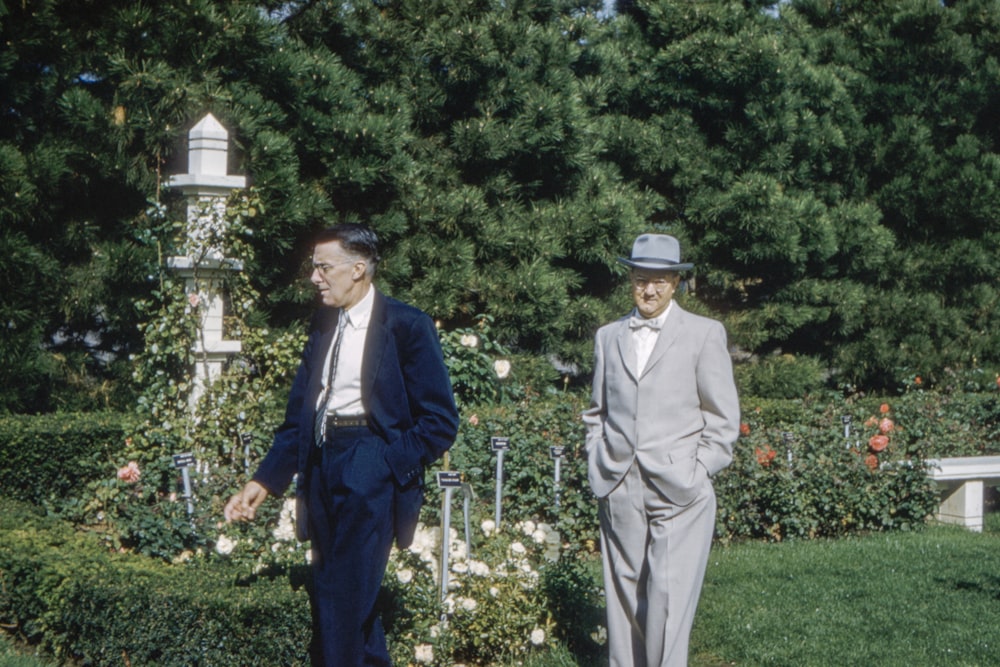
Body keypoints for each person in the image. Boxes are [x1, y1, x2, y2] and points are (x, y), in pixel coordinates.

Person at [224, 223, 459, 667]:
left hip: (370, 467)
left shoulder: (407, 325)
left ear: (357, 269)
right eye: (314, 267)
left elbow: (441, 421)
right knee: (350, 605)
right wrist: (264, 480)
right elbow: (299, 413)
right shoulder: (324, 322)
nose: (314, 277)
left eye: (323, 267)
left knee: (342, 601)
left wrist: (383, 464)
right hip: (320, 465)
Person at [583, 233, 740, 667]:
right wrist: (598, 457)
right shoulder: (608, 336)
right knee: (624, 594)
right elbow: (596, 410)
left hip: (680, 487)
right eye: (639, 279)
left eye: (658, 281)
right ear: (629, 280)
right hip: (618, 482)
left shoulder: (704, 334)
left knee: (668, 597)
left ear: (675, 283)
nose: (648, 290)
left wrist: (699, 470)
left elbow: (723, 418)